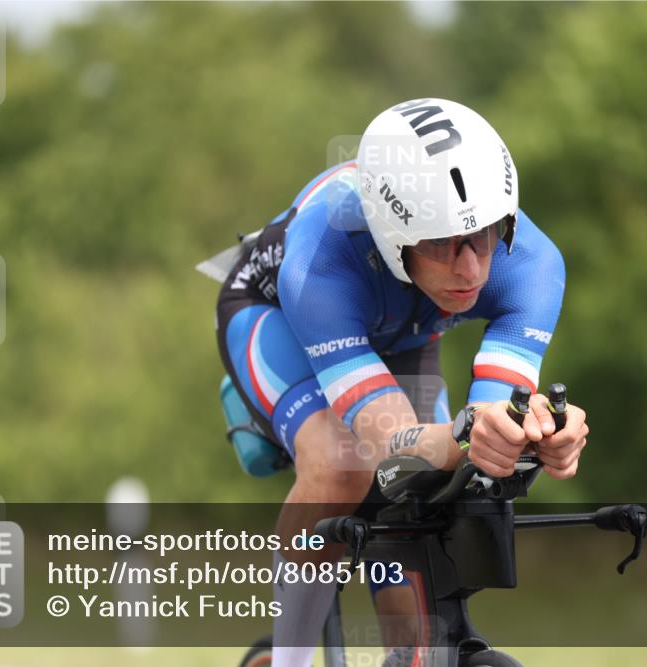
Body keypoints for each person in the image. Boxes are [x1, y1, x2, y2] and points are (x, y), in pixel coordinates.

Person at [215, 98, 589, 667]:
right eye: (441, 243)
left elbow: (487, 427)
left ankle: (413, 655)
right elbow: (386, 435)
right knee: (345, 466)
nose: (470, 269)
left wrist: (538, 434)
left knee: (426, 494)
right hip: (281, 317)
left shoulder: (532, 265)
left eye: (485, 235)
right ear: (393, 238)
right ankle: (289, 659)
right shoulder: (321, 258)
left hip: (405, 336)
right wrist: (452, 438)